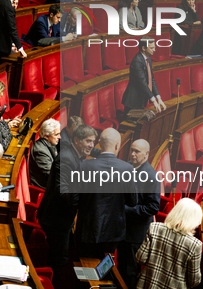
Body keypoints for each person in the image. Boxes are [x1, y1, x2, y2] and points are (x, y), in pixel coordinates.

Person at [38, 124, 97, 279]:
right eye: (88, 141)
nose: (91, 145)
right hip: (55, 219)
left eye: (93, 142)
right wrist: (84, 203)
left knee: (63, 256)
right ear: (76, 140)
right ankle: (50, 283)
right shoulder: (66, 159)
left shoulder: (73, 154)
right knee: (59, 259)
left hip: (61, 217)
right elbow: (62, 191)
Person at [73, 128, 138, 258]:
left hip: (87, 228)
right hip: (113, 231)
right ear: (117, 145)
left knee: (82, 265)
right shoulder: (127, 169)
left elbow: (74, 198)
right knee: (104, 270)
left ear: (100, 144)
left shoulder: (84, 166)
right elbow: (133, 201)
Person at [136, 197, 202, 289]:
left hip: (148, 285)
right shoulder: (195, 245)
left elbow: (140, 258)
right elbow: (194, 281)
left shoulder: (154, 228)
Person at [119, 139, 159, 289]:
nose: (133, 154)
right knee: (119, 266)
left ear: (147, 154)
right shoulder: (127, 167)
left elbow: (153, 207)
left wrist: (125, 210)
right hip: (121, 229)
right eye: (132, 150)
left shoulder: (151, 176)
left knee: (129, 272)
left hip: (135, 234)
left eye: (137, 151)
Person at [122, 37, 166, 114]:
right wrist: (153, 100)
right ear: (143, 48)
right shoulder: (137, 61)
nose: (154, 50)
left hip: (141, 99)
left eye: (154, 47)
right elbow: (142, 83)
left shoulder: (148, 59)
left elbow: (151, 79)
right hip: (133, 102)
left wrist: (158, 98)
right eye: (151, 48)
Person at [29, 119, 60, 189]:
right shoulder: (40, 151)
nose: (59, 137)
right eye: (56, 135)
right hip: (45, 189)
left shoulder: (50, 142)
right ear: (46, 136)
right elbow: (53, 175)